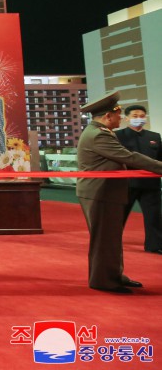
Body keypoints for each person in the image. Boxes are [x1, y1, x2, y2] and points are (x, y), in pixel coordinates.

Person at [76, 92, 162, 293]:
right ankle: (104, 281)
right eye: (118, 115)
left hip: (104, 191)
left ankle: (114, 274)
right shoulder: (98, 135)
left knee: (111, 237)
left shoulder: (99, 131)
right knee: (104, 239)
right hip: (100, 192)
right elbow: (129, 157)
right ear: (107, 116)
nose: (121, 118)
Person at [116, 105, 162, 255]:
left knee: (154, 216)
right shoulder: (117, 136)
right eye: (135, 116)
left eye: (142, 115)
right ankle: (112, 244)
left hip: (151, 184)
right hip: (126, 183)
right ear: (127, 118)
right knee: (119, 215)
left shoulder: (154, 137)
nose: (139, 119)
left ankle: (154, 245)